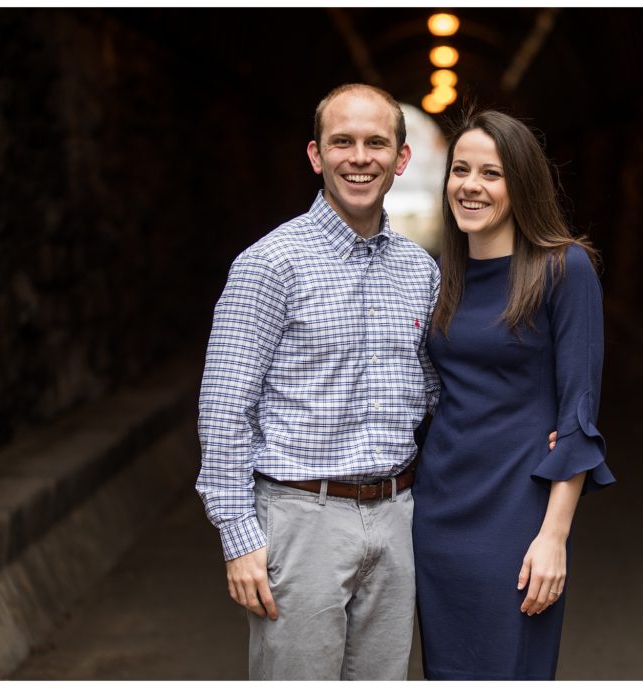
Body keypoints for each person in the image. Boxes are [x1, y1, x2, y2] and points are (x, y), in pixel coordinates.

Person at [195, 83, 438, 681]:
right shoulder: (269, 264)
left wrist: (536, 424)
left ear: (400, 158)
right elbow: (225, 406)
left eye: (376, 142)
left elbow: (435, 393)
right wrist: (238, 535)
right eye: (343, 142)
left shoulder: (422, 271)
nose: (360, 157)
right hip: (300, 518)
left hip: (397, 515)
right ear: (316, 155)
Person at [412, 110, 616, 680]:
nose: (470, 186)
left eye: (491, 174)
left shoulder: (564, 268)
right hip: (439, 508)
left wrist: (554, 537)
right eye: (460, 170)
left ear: (521, 183)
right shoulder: (442, 273)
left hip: (515, 513)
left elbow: (579, 414)